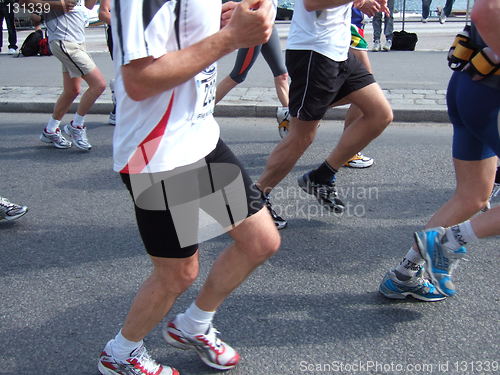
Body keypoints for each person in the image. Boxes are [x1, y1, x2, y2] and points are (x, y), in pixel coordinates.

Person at [98, 1, 280, 374]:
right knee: (177, 273)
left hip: (199, 137)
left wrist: (249, 16)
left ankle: (192, 326)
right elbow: (139, 80)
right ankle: (120, 354)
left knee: (260, 242)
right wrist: (230, 37)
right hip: (157, 153)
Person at [380, 0, 499, 301]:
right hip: (490, 94)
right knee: (472, 196)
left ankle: (405, 274)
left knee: (472, 196)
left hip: (471, 88)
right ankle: (450, 240)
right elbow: (487, 10)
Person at [255, 0, 393, 229]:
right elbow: (312, 3)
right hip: (314, 54)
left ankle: (322, 176)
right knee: (302, 137)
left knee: (379, 113)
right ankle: (255, 199)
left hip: (338, 52)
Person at [21, 0, 106, 151]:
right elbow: (24, 4)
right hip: (64, 42)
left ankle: (50, 130)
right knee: (98, 85)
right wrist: (58, 4)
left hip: (76, 41)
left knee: (72, 90)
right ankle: (77, 126)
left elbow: (89, 6)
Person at [215, 0, 289, 136]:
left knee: (282, 75)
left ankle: (289, 117)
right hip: (255, 25)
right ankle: (202, 110)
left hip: (269, 24)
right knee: (238, 75)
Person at [98, 0, 116, 126]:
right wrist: (123, 26)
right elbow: (103, 13)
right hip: (118, 35)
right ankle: (117, 110)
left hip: (140, 36)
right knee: (125, 72)